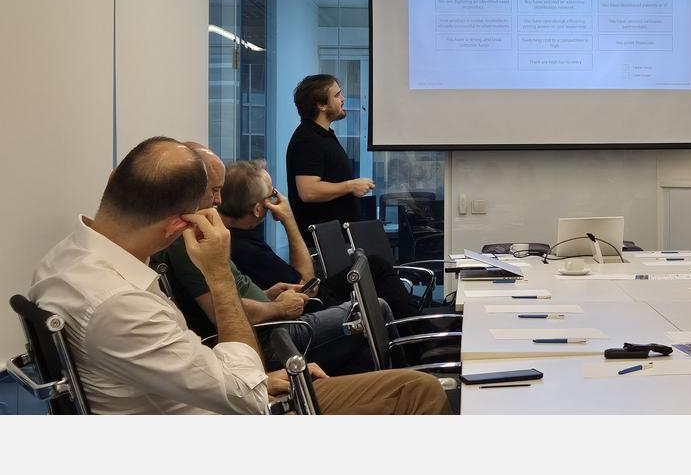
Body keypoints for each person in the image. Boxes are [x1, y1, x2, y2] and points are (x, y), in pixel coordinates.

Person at [29, 136, 447, 414]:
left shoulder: (63, 261)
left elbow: (194, 368)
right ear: (180, 224)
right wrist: (218, 274)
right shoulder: (120, 303)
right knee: (419, 392)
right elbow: (244, 397)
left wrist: (259, 379)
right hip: (223, 415)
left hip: (212, 391)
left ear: (114, 185)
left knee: (409, 388)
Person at [152, 143, 387, 377]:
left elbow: (225, 296)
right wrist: (279, 308)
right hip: (270, 337)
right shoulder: (190, 241)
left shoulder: (204, 237)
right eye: (214, 190)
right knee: (374, 308)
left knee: (364, 351)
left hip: (270, 327)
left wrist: (266, 295)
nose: (218, 200)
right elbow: (219, 308)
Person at [219, 158, 419, 319]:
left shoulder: (237, 235)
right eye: (272, 194)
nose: (277, 199)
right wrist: (289, 220)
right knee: (377, 293)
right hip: (313, 310)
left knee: (374, 266)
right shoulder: (246, 249)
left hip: (309, 299)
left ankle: (415, 331)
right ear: (257, 209)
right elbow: (309, 286)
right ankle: (417, 337)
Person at [286, 74, 375, 242]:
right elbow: (308, 191)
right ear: (321, 105)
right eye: (337, 95)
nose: (342, 99)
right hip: (326, 246)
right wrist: (351, 186)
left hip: (337, 241)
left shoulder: (322, 136)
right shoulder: (308, 140)